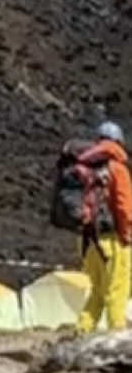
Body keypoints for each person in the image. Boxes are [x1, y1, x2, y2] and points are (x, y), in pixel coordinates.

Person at [63, 121, 132, 334]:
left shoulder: (83, 167)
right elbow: (124, 207)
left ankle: (80, 334)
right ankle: (118, 342)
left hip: (86, 240)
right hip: (112, 241)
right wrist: (128, 235)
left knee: (98, 293)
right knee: (117, 292)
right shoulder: (117, 169)